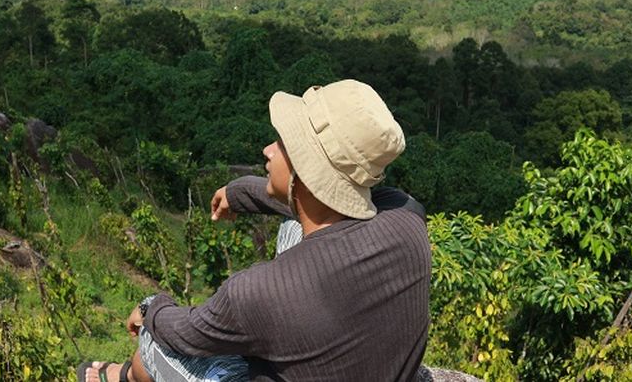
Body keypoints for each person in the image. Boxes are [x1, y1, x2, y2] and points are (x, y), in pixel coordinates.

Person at [78, 79, 431, 382]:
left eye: (282, 143)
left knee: (154, 342)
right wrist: (241, 192)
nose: (268, 149)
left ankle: (126, 375)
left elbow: (184, 332)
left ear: (305, 173)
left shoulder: (258, 293)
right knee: (297, 226)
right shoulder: (408, 219)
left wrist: (150, 305)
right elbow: (323, 207)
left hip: (281, 315)